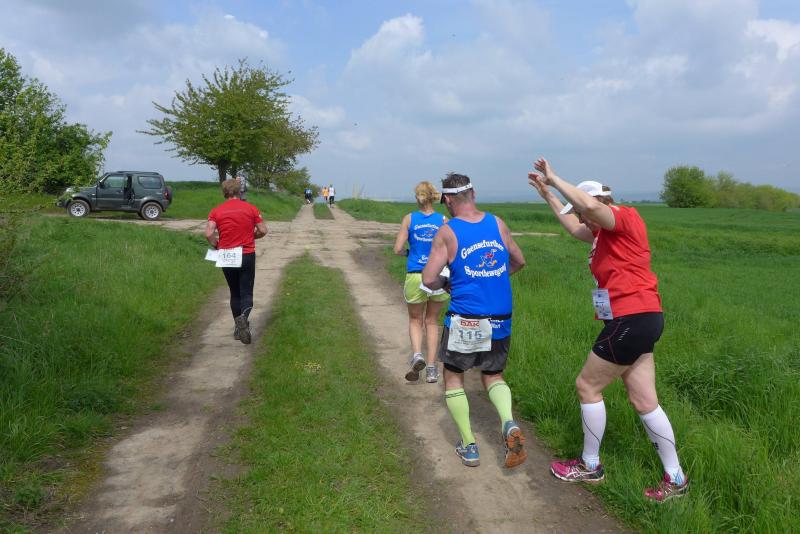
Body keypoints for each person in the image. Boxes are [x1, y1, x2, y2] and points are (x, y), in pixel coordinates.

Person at [527, 157, 688, 502]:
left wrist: (555, 178)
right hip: (640, 319)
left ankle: (590, 466)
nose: (581, 217)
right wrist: (548, 196)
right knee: (644, 399)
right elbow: (575, 228)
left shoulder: (624, 217)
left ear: (598, 202)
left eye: (582, 210)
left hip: (631, 318)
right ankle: (676, 478)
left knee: (587, 385)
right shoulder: (601, 235)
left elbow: (588, 208)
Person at [422, 173, 527, 468]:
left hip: (467, 317)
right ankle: (508, 423)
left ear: (447, 200)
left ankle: (469, 445)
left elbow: (428, 278)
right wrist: (491, 278)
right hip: (501, 315)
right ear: (474, 194)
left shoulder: (447, 231)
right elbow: (519, 261)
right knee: (493, 374)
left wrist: (448, 284)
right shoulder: (497, 223)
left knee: (454, 375)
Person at [393, 181, 450, 384]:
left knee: (415, 320)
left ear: (417, 197)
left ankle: (418, 355)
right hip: (438, 276)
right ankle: (432, 369)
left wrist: (409, 253)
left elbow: (397, 249)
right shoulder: (443, 220)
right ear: (433, 197)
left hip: (416, 275)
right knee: (432, 321)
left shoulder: (409, 219)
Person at [205, 178, 268, 345]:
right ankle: (243, 320)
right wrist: (252, 236)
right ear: (240, 191)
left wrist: (217, 245)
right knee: (246, 292)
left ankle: (237, 327)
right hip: (246, 254)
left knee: (234, 292)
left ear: (224, 192)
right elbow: (263, 230)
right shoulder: (251, 208)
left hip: (226, 255)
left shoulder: (216, 211)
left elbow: (209, 233)